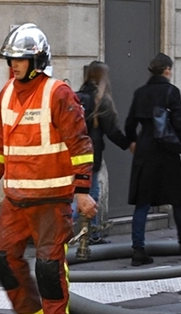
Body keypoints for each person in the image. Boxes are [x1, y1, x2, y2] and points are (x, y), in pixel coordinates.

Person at [0, 23, 97, 314]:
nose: (13, 64)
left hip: (52, 200)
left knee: (48, 266)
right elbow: (1, 146)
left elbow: (81, 145)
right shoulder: (6, 94)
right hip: (15, 199)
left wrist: (83, 191)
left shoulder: (58, 93)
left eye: (20, 59)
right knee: (2, 257)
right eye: (10, 59)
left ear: (37, 60)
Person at [124, 53, 181, 267]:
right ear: (167, 70)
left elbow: (129, 124)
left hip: (144, 151)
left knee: (142, 203)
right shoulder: (171, 92)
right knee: (178, 201)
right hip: (167, 153)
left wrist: (132, 142)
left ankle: (138, 249)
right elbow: (178, 123)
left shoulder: (140, 93)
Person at [72, 61, 131, 244]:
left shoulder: (77, 96)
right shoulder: (100, 101)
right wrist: (129, 144)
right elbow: (112, 130)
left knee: (87, 195)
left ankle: (93, 234)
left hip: (74, 155)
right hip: (91, 156)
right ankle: (58, 230)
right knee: (89, 196)